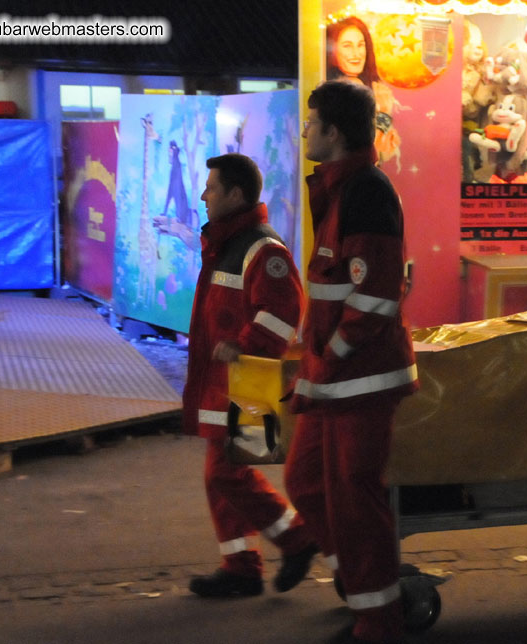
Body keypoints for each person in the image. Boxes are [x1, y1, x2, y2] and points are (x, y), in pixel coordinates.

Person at [285, 81, 418, 644]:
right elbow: (339, 290)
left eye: (311, 123)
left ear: (334, 133)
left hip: (359, 380)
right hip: (335, 377)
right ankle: (360, 584)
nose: (305, 132)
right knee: (305, 481)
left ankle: (378, 621)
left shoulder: (366, 191)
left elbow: (375, 300)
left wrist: (329, 359)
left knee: (354, 502)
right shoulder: (342, 189)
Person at [182, 153, 317, 598]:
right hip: (231, 379)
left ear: (235, 195)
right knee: (219, 475)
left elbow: (284, 313)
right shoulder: (229, 243)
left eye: (212, 188)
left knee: (227, 475)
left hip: (252, 379)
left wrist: (245, 346)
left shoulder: (263, 249)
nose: (204, 195)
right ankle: (241, 567)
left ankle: (297, 538)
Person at [326, 16, 401, 169]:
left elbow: (384, 152)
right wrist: (384, 114)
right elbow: (370, 153)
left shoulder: (374, 89)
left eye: (361, 45)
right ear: (333, 50)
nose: (356, 53)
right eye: (347, 46)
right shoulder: (334, 94)